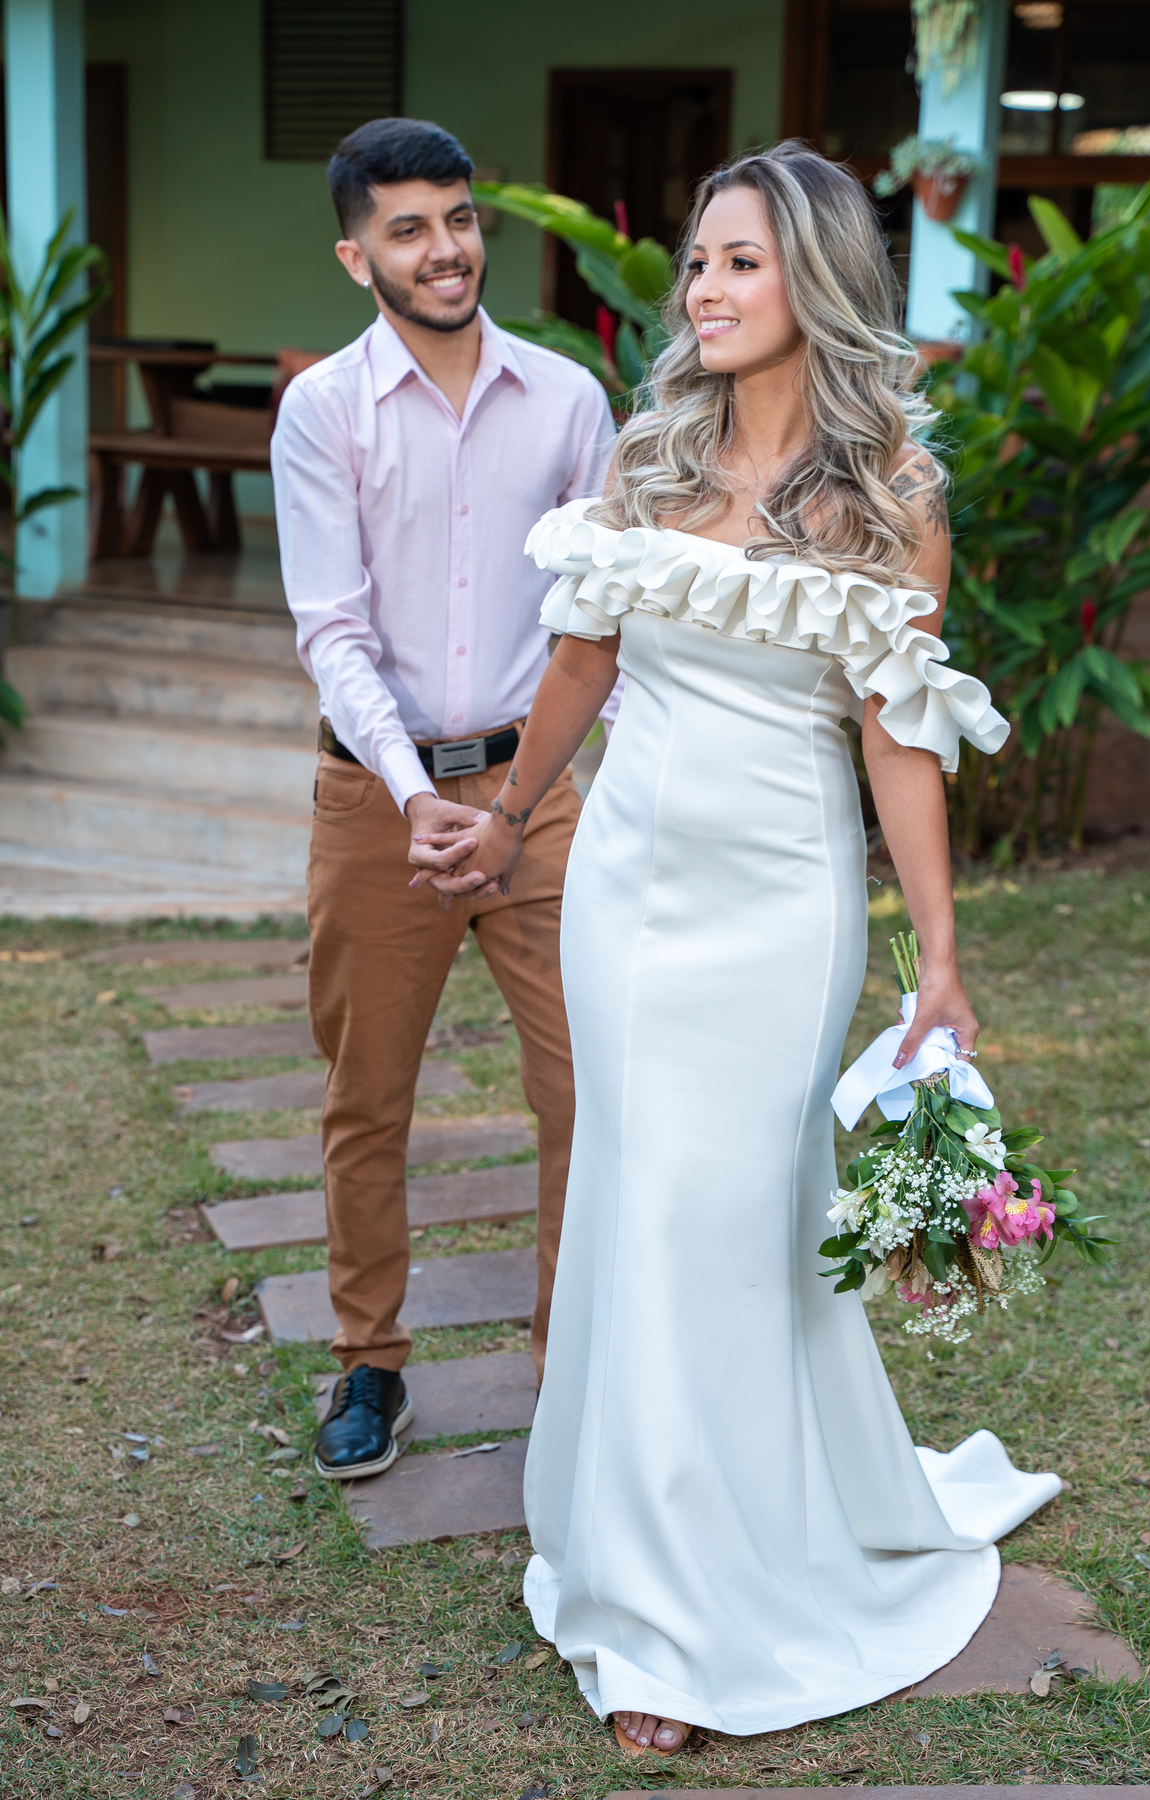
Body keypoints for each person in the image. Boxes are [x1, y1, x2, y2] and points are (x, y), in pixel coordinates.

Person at [411, 143, 1060, 1750]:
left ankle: (717, 1593)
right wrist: (505, 817)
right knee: (638, 1203)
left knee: (730, 1216)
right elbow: (576, 669)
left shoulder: (892, 498)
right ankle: (640, 1574)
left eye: (740, 263)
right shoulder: (644, 460)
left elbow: (897, 744)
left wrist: (942, 962)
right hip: (627, 891)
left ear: (816, 282)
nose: (703, 289)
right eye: (698, 261)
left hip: (783, 904)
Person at [271, 117, 615, 1481]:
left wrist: (537, 796)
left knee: (593, 1087)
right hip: (380, 804)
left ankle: (572, 1361)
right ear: (358, 256)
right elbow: (330, 627)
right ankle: (371, 1363)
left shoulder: (571, 401)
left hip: (543, 798)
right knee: (369, 1095)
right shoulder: (324, 413)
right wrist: (419, 796)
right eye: (408, 228)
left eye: (460, 219)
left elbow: (603, 621)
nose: (445, 247)